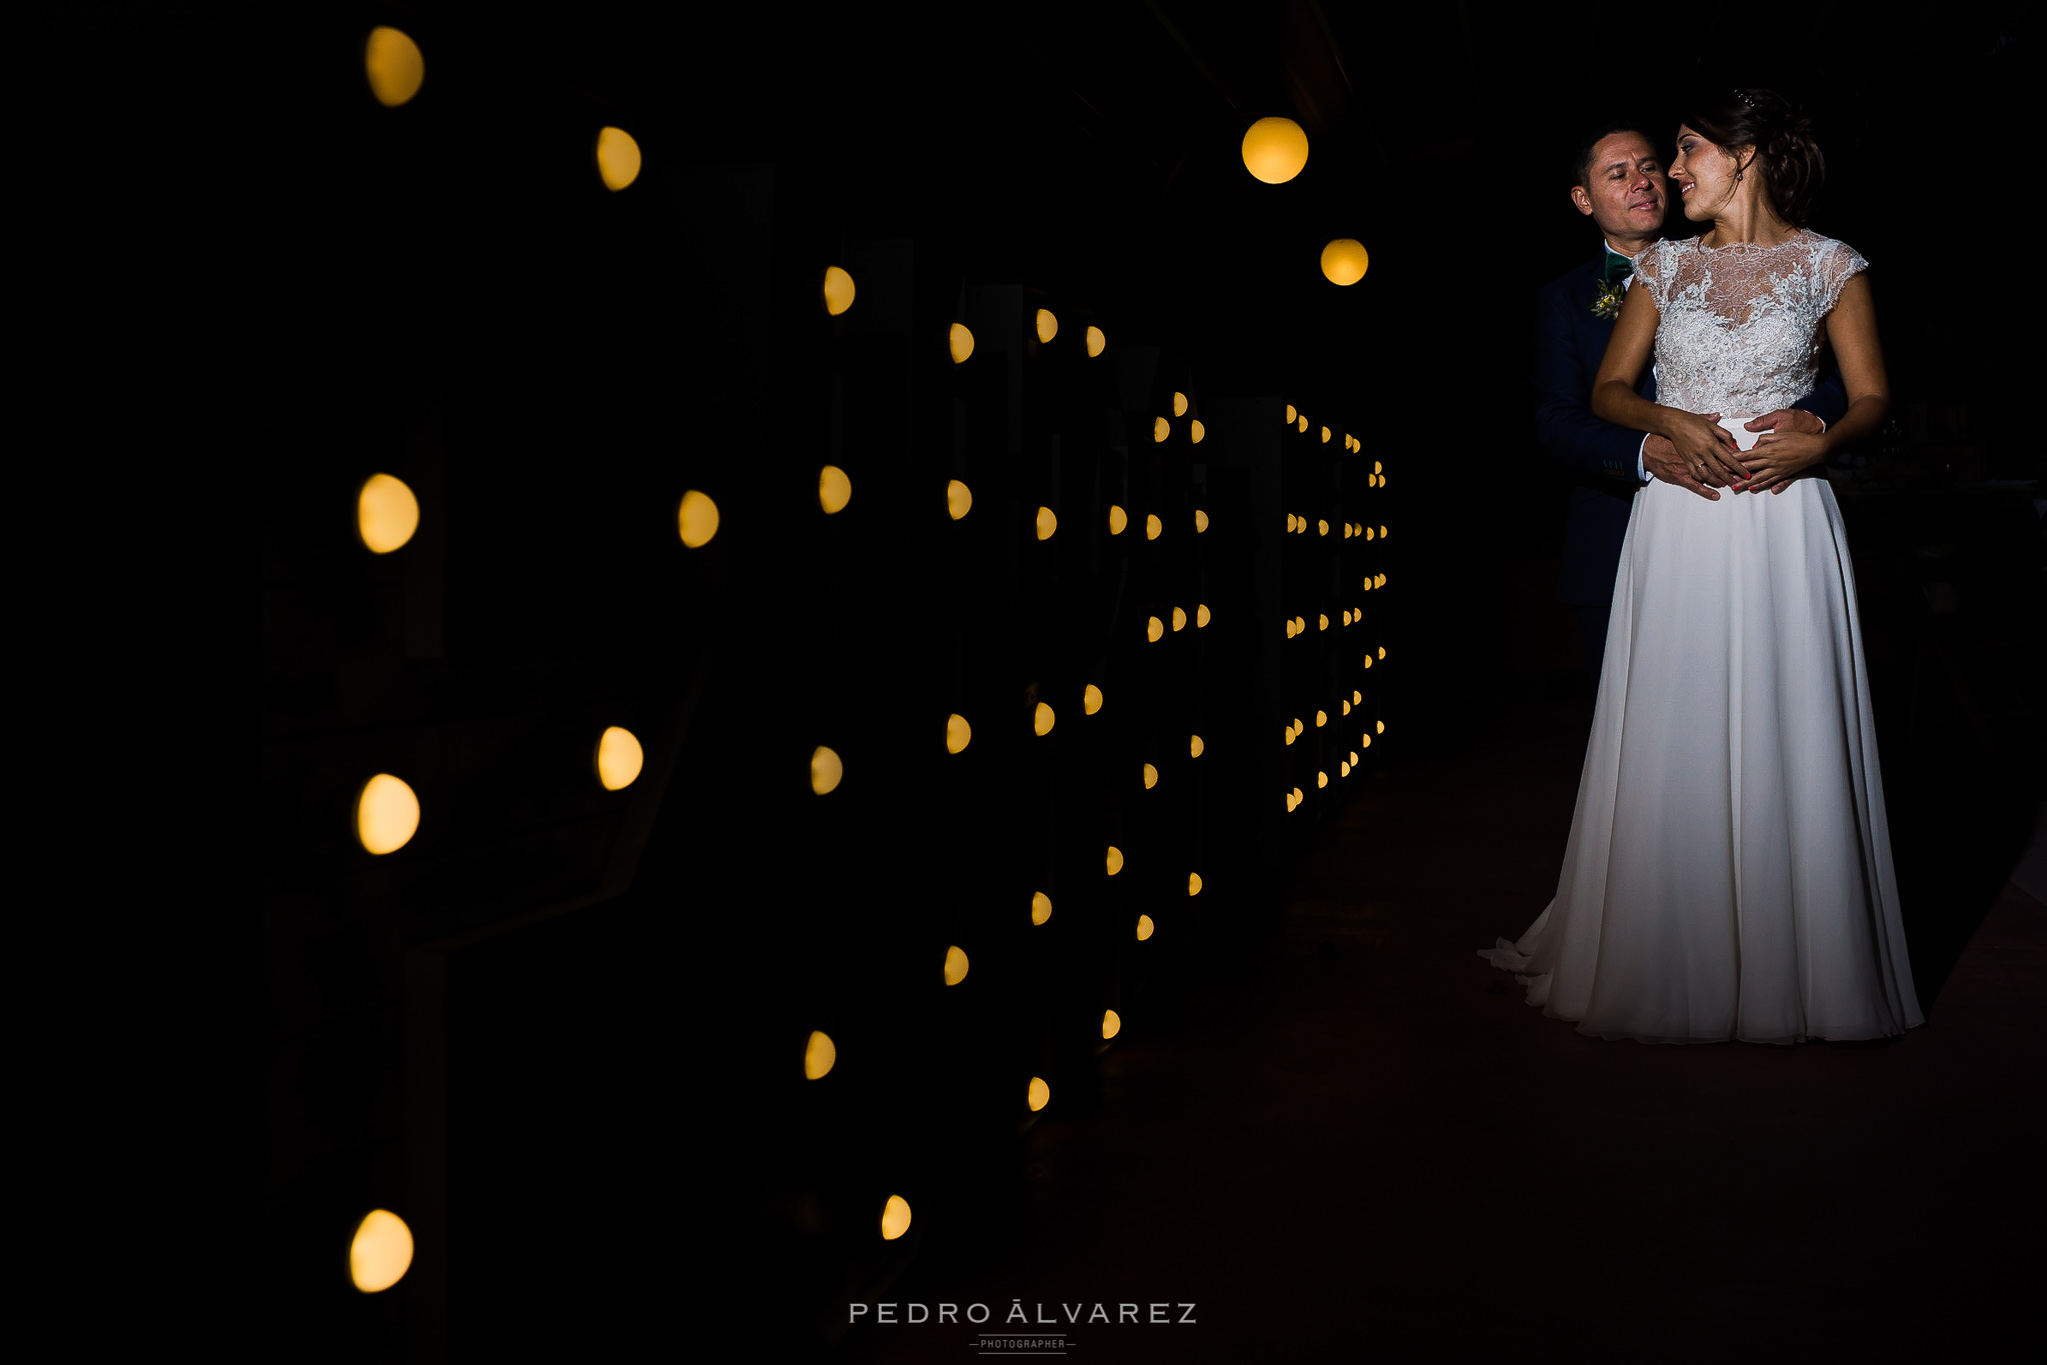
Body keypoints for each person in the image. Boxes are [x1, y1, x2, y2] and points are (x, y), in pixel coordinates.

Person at [1482, 88, 1922, 1044]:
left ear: (1747, 154)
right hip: (1678, 523)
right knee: (1670, 725)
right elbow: (1600, 392)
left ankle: (1793, 955)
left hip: (1781, 518)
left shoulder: (1832, 263)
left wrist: (1826, 435)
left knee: (1782, 716)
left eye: (1682, 153)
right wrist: (1663, 420)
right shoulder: (1661, 269)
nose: (1668, 174)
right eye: (1641, 166)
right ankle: (1663, 946)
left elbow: (1873, 394)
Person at [1533, 120, 1846, 706]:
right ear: (1583, 199)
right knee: (1643, 725)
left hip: (1748, 510)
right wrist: (1644, 450)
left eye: (1650, 166)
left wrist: (1815, 417)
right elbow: (1555, 420)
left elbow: (1826, 372)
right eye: (1617, 174)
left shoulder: (1760, 260)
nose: (1643, 182)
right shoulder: (1563, 300)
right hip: (1616, 528)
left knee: (1760, 697)